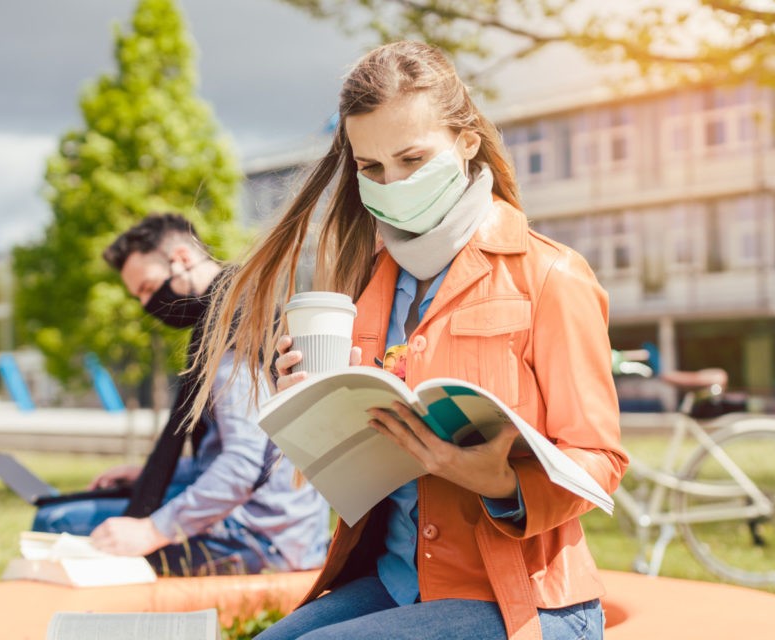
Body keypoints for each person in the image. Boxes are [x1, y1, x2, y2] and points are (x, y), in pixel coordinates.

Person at [190, 42, 628, 639]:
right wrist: (311, 410)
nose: (392, 183)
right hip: (397, 579)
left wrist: (500, 482)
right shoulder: (365, 280)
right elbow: (362, 461)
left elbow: (600, 461)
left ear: (466, 141)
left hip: (524, 600)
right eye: (371, 168)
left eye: (412, 159)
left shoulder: (551, 275)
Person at [32, 213, 330, 577]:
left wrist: (152, 530)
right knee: (102, 503)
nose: (146, 304)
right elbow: (247, 451)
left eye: (146, 288)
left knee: (53, 521)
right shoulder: (244, 308)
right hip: (286, 526)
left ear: (182, 258)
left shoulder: (230, 337)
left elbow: (243, 466)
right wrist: (148, 473)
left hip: (262, 540)